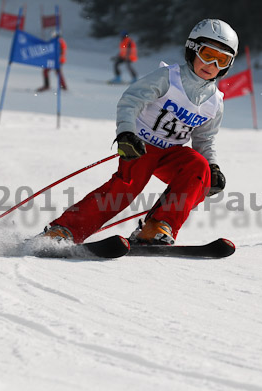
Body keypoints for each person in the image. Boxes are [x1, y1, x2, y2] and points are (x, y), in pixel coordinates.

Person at [40, 19, 238, 246]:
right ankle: (64, 230)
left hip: (172, 153)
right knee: (126, 187)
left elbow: (205, 138)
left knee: (198, 167)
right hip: (140, 146)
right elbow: (131, 101)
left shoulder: (214, 102)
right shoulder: (168, 78)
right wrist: (126, 133)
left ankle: (157, 227)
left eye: (221, 60)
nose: (211, 64)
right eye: (207, 54)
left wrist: (212, 167)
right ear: (192, 49)